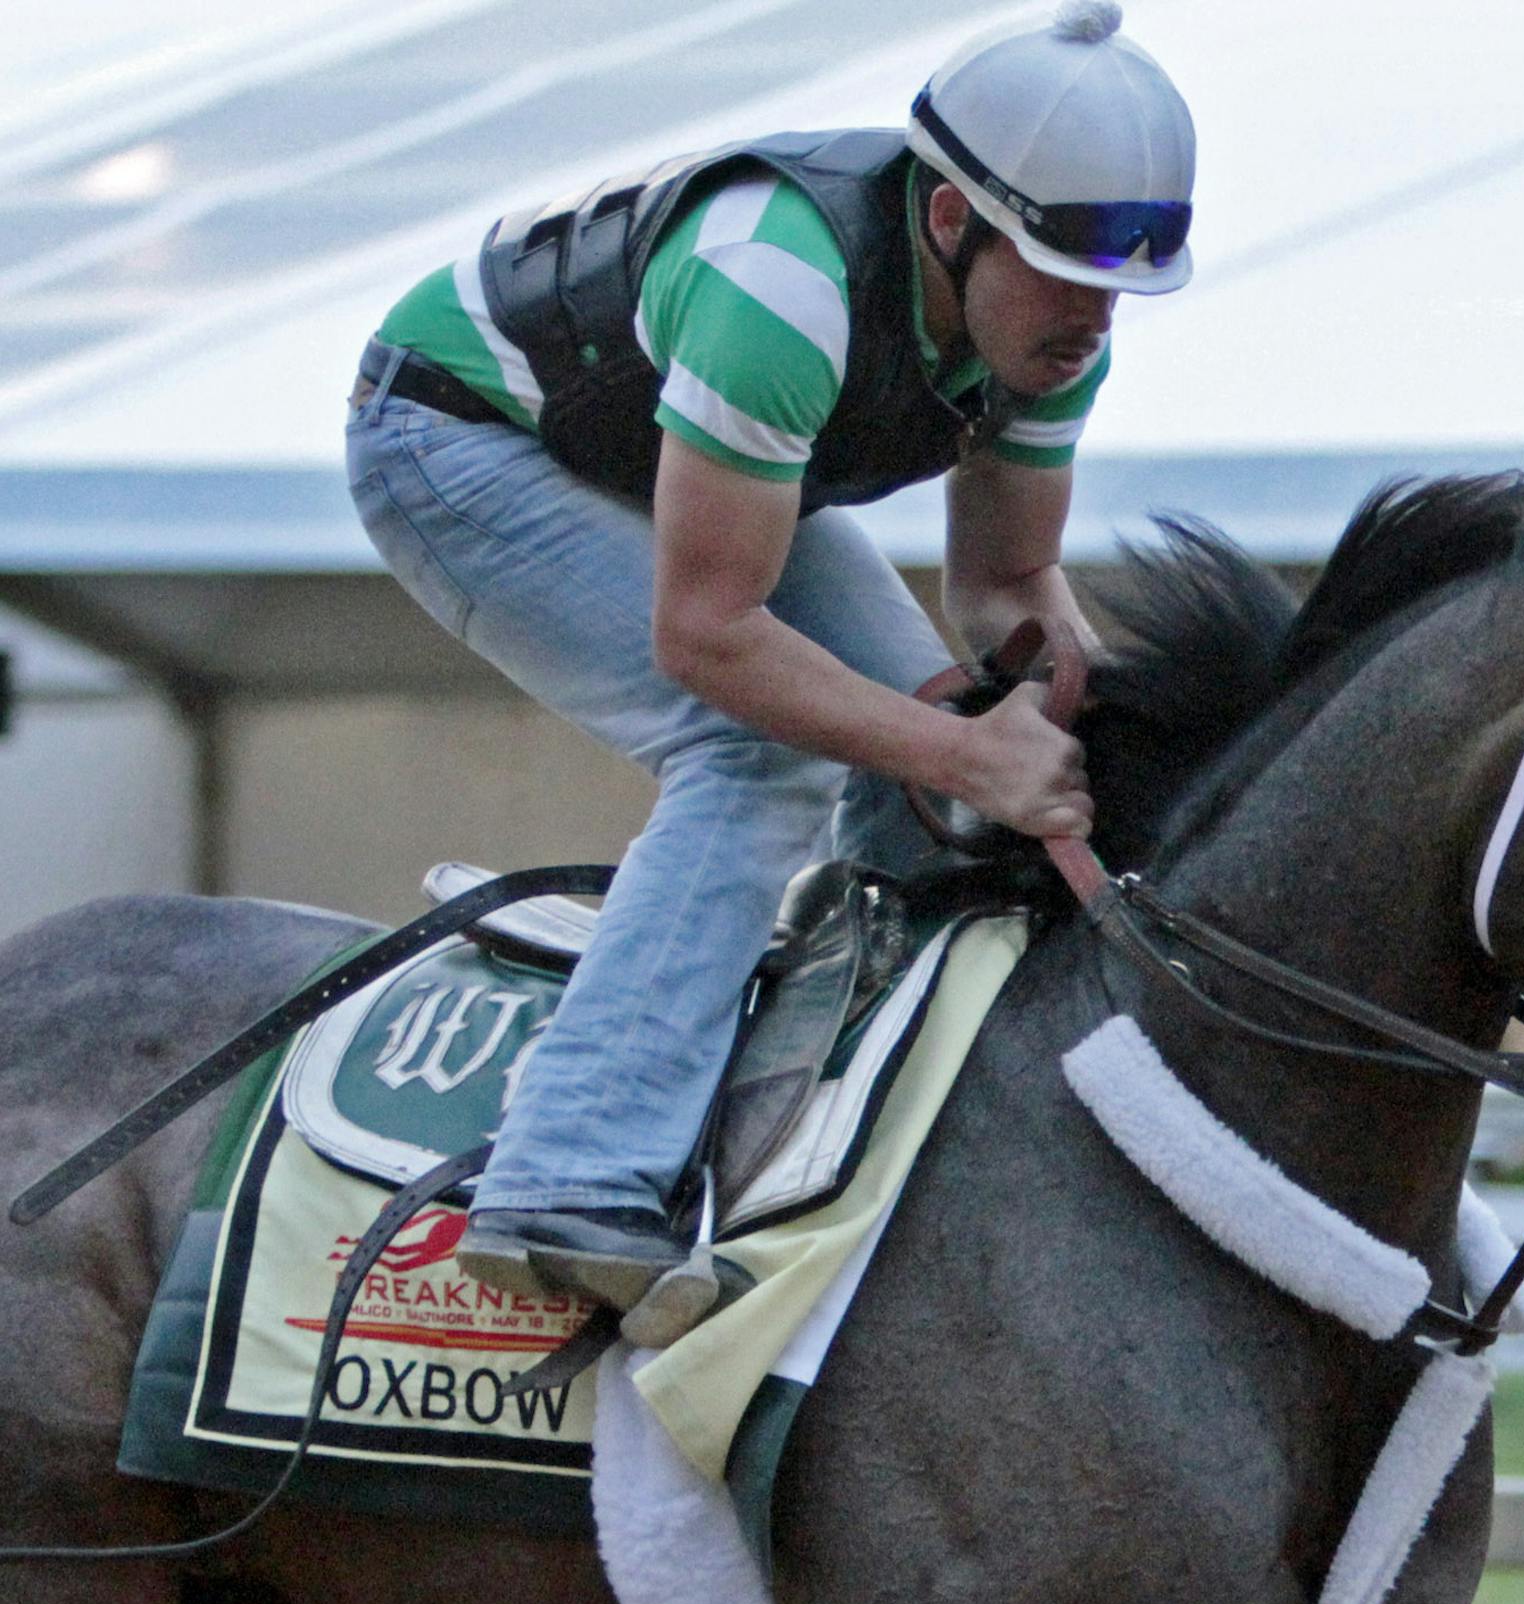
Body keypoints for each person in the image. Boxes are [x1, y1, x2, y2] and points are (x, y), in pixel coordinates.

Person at [342, 0, 1196, 1316]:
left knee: (921, 742)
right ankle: (566, 1175)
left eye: (1119, 284)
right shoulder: (778, 285)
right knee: (760, 747)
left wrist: (1080, 718)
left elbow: (1007, 586)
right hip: (462, 436)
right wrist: (969, 747)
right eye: (1061, 268)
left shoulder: (1057, 328)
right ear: (953, 218)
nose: (1092, 317)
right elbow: (708, 641)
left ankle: (848, 1127)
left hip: (656, 441)